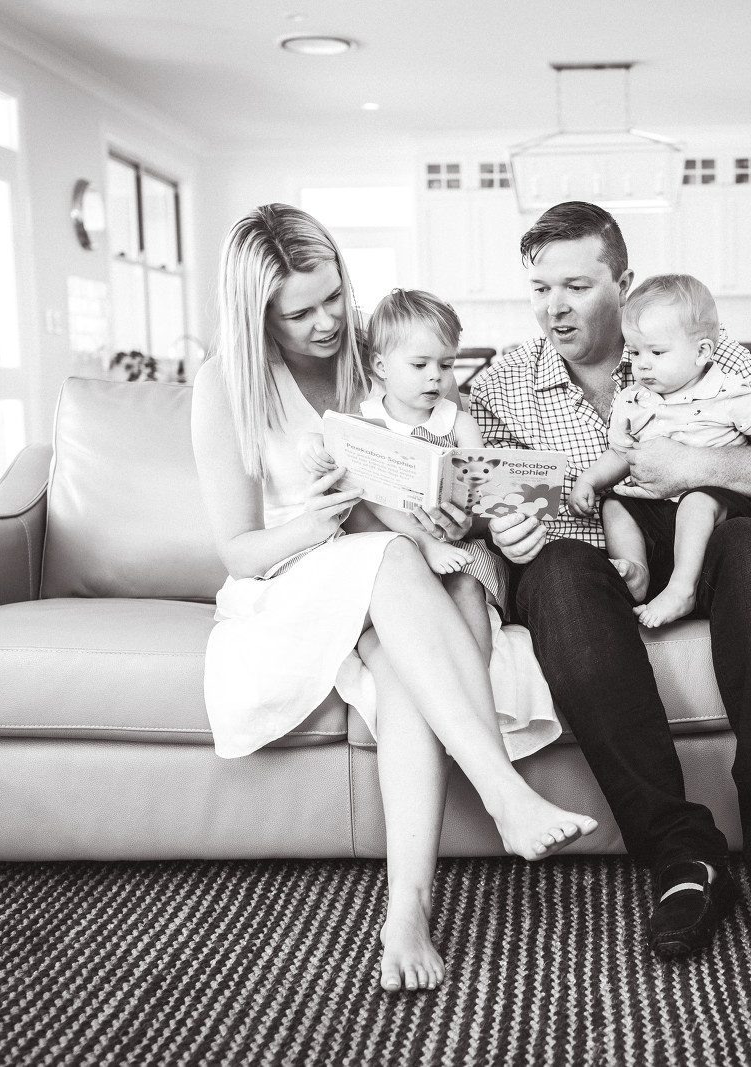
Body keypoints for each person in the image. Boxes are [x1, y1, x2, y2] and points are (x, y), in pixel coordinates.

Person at [191, 204, 596, 993]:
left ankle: (406, 910)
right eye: (299, 313)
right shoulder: (226, 383)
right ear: (256, 315)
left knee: (405, 662)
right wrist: (316, 521)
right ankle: (505, 793)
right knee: (387, 556)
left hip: (396, 578)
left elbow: (445, 471)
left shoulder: (378, 352)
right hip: (292, 580)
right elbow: (239, 551)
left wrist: (456, 512)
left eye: (333, 296)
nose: (327, 323)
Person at [468, 201, 751, 960]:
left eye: (576, 286)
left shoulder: (704, 349)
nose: (554, 307)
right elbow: (481, 497)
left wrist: (695, 465)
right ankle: (681, 851)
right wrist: (496, 525)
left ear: (623, 283)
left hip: (709, 550)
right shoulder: (502, 383)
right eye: (540, 288)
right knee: (554, 573)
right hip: (590, 567)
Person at [299, 286, 560, 758]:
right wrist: (319, 452)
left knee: (466, 584)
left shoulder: (457, 422)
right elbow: (357, 497)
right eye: (419, 365)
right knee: (370, 510)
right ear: (381, 366)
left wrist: (475, 516)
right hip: (397, 548)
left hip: (457, 547)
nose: (435, 377)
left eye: (446, 364)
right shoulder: (364, 423)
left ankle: (472, 694)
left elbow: (485, 494)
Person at [569, 273, 751, 628]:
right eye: (635, 352)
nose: (642, 364)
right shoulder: (633, 400)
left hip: (715, 502)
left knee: (696, 502)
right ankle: (637, 572)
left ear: (701, 352)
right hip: (657, 507)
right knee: (615, 504)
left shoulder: (726, 391)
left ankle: (681, 589)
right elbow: (622, 454)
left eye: (657, 352)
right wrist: (589, 480)